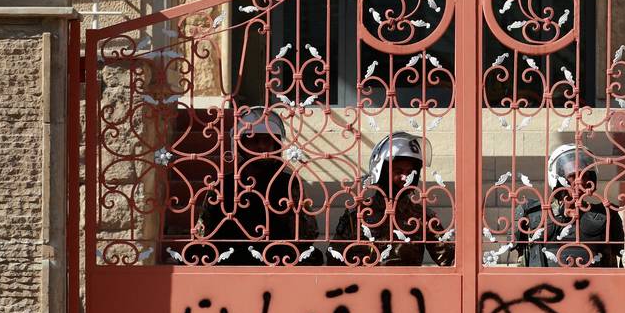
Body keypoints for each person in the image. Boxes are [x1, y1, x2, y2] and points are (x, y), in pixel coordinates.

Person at [190, 107, 318, 265]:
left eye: (267, 140)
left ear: (276, 145)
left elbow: (307, 233)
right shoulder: (223, 184)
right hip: (230, 262)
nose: (261, 146)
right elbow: (203, 233)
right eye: (253, 140)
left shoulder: (289, 183)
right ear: (240, 145)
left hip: (278, 261)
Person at [330, 131, 453, 266]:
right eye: (398, 172)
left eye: (410, 172)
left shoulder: (422, 216)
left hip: (407, 280)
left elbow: (450, 259)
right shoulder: (357, 214)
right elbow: (334, 260)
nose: (405, 178)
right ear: (383, 173)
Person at [512, 144, 624, 267]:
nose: (580, 181)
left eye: (584, 175)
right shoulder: (532, 213)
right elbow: (521, 263)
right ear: (558, 179)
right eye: (572, 176)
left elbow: (614, 262)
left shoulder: (606, 215)